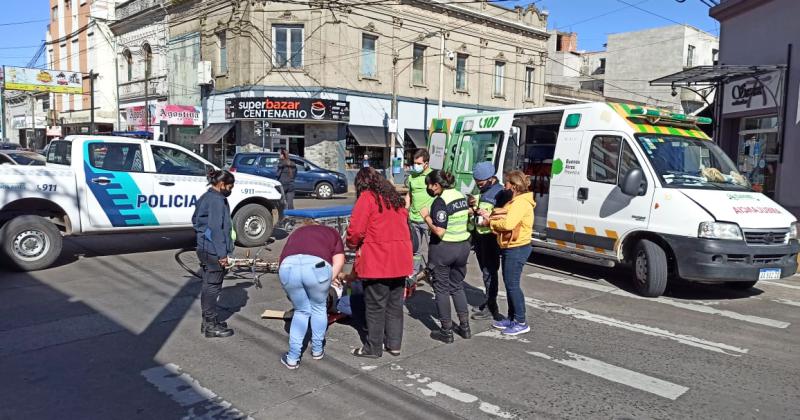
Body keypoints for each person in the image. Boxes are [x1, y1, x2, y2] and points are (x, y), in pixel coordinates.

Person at [346, 167, 413, 358]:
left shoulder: (367, 198)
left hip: (378, 260)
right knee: (394, 305)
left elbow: (356, 230)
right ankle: (394, 345)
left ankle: (373, 348)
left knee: (375, 307)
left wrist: (351, 244)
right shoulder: (395, 200)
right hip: (400, 260)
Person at [278, 220, 346, 370]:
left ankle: (292, 358)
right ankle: (317, 350)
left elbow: (283, 257)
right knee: (319, 308)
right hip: (317, 267)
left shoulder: (296, 233)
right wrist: (327, 282)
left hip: (288, 267)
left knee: (301, 310)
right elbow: (339, 261)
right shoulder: (331, 232)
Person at [477, 170, 535, 336]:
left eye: (507, 183)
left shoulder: (520, 203)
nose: (505, 186)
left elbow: (509, 224)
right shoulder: (517, 200)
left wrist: (490, 224)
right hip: (513, 246)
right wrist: (489, 215)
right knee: (510, 284)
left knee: (512, 285)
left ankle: (521, 321)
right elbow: (505, 215)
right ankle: (512, 318)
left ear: (515, 186)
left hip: (517, 247)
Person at [419, 170, 471, 343]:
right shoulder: (460, 196)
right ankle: (465, 327)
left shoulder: (440, 202)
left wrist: (426, 217)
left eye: (429, 184)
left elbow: (440, 231)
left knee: (441, 289)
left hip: (444, 248)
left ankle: (446, 331)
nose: (428, 188)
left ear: (437, 185)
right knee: (457, 286)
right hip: (462, 247)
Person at [192, 169, 236, 338]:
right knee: (213, 286)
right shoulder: (217, 200)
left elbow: (195, 220)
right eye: (230, 186)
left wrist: (202, 235)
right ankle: (210, 325)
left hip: (204, 247)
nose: (231, 190)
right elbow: (216, 228)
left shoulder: (207, 196)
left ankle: (208, 321)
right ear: (221, 184)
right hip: (212, 250)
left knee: (209, 284)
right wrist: (222, 254)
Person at [468, 162, 510, 321]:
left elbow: (503, 217)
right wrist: (473, 205)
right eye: (476, 181)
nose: (478, 184)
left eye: (481, 182)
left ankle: (491, 306)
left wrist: (487, 216)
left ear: (491, 178)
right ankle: (488, 300)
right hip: (480, 236)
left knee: (489, 272)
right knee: (485, 271)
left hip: (491, 238)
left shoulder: (500, 193)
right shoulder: (484, 190)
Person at [405, 149, 434, 281]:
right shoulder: (412, 177)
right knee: (415, 250)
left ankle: (434, 273)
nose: (415, 165)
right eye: (414, 163)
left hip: (428, 220)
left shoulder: (433, 176)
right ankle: (413, 273)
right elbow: (409, 195)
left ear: (426, 164)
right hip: (413, 219)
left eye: (418, 163)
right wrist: (406, 209)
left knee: (433, 250)